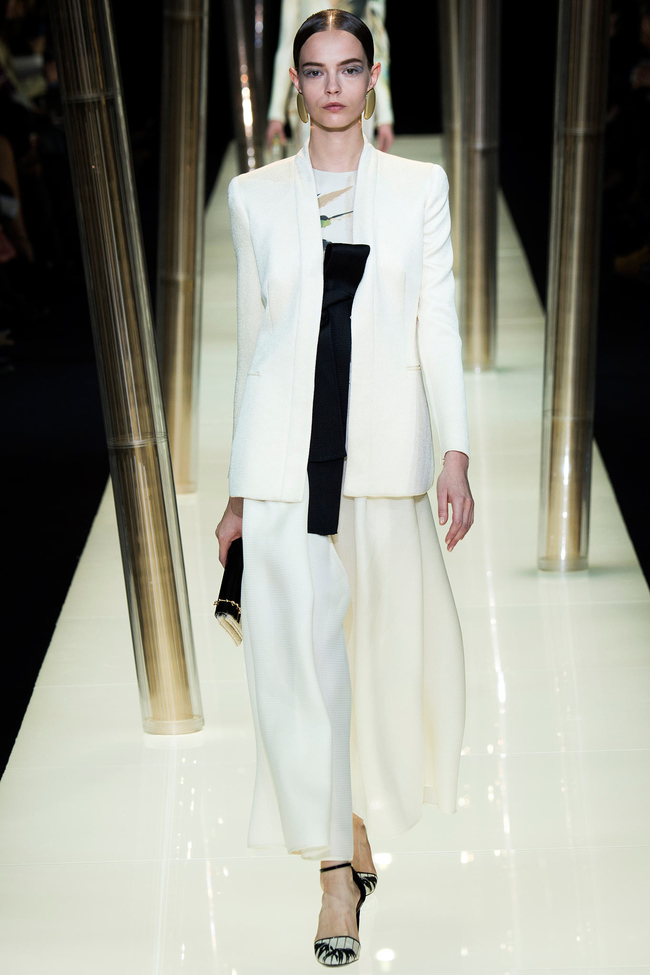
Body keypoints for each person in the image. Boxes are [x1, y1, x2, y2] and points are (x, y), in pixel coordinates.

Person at [215, 8, 474, 967]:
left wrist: (454, 450)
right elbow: (253, 345)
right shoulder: (253, 197)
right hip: (284, 468)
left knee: (381, 662)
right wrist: (237, 492)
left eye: (350, 68)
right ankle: (335, 877)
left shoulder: (419, 188)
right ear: (295, 83)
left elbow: (436, 321)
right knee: (302, 669)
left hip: (382, 463)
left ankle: (354, 819)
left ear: (374, 78)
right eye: (317, 70)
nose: (333, 86)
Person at [266, 0, 394, 154]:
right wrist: (276, 115)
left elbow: (377, 51)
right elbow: (287, 46)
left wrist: (385, 117)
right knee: (312, 161)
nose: (332, 88)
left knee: (358, 162)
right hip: (312, 99)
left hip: (357, 101)